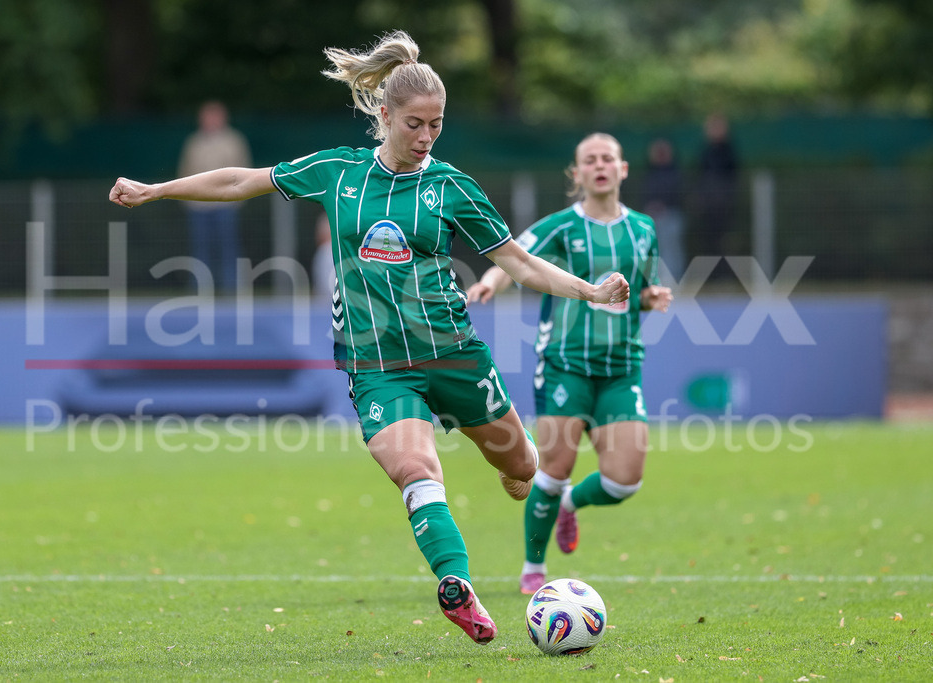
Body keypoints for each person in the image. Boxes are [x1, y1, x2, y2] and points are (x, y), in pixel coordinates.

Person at [109, 31, 629, 645]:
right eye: (415, 123)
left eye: (436, 125)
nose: (427, 137)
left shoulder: (452, 187)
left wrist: (589, 291)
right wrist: (158, 190)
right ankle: (457, 587)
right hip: (377, 366)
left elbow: (518, 262)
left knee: (521, 469)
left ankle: (511, 475)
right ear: (383, 115)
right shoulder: (337, 172)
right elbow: (239, 182)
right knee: (414, 467)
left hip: (455, 356)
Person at [466, 132, 672, 595]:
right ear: (576, 174)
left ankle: (571, 505)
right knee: (553, 469)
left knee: (624, 481)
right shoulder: (560, 225)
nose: (599, 165)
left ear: (622, 170)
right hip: (564, 365)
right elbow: (512, 257)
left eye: (608, 159)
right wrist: (488, 283)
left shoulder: (643, 229)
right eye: (589, 160)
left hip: (622, 367)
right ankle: (532, 568)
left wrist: (649, 296)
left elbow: (636, 291)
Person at [177, 100, 252, 293]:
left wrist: (237, 200)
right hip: (199, 207)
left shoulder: (234, 141)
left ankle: (232, 290)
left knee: (229, 249)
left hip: (226, 205)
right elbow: (185, 171)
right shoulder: (194, 143)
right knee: (200, 249)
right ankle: (200, 289)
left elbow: (244, 172)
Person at [694, 112, 738, 273]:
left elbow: (732, 175)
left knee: (724, 240)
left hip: (724, 205)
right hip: (708, 205)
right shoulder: (705, 151)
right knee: (708, 239)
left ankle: (724, 274)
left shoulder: (729, 150)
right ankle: (710, 274)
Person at [643, 137, 686, 279]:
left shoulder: (676, 172)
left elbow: (680, 194)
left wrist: (664, 205)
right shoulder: (649, 172)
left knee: (671, 248)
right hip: (652, 217)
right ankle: (657, 278)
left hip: (671, 214)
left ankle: (674, 277)